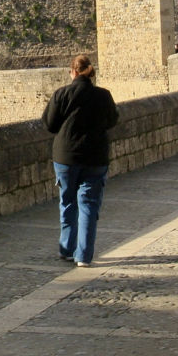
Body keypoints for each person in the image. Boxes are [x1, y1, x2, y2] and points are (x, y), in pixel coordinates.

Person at [41, 55, 119, 268]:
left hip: (66, 157)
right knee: (89, 206)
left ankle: (66, 248)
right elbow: (112, 120)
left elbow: (49, 124)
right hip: (95, 157)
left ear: (73, 72)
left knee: (67, 202)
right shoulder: (104, 96)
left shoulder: (61, 94)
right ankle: (83, 256)